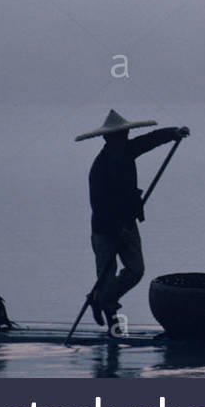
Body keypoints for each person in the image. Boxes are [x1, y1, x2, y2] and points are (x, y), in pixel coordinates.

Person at [75, 109, 189, 329]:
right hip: (104, 230)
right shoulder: (99, 168)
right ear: (109, 139)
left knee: (136, 271)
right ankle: (113, 322)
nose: (124, 140)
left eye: (125, 136)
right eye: (120, 137)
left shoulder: (128, 151)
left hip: (128, 224)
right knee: (106, 276)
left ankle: (98, 298)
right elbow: (99, 206)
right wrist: (117, 230)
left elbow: (149, 140)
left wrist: (174, 133)